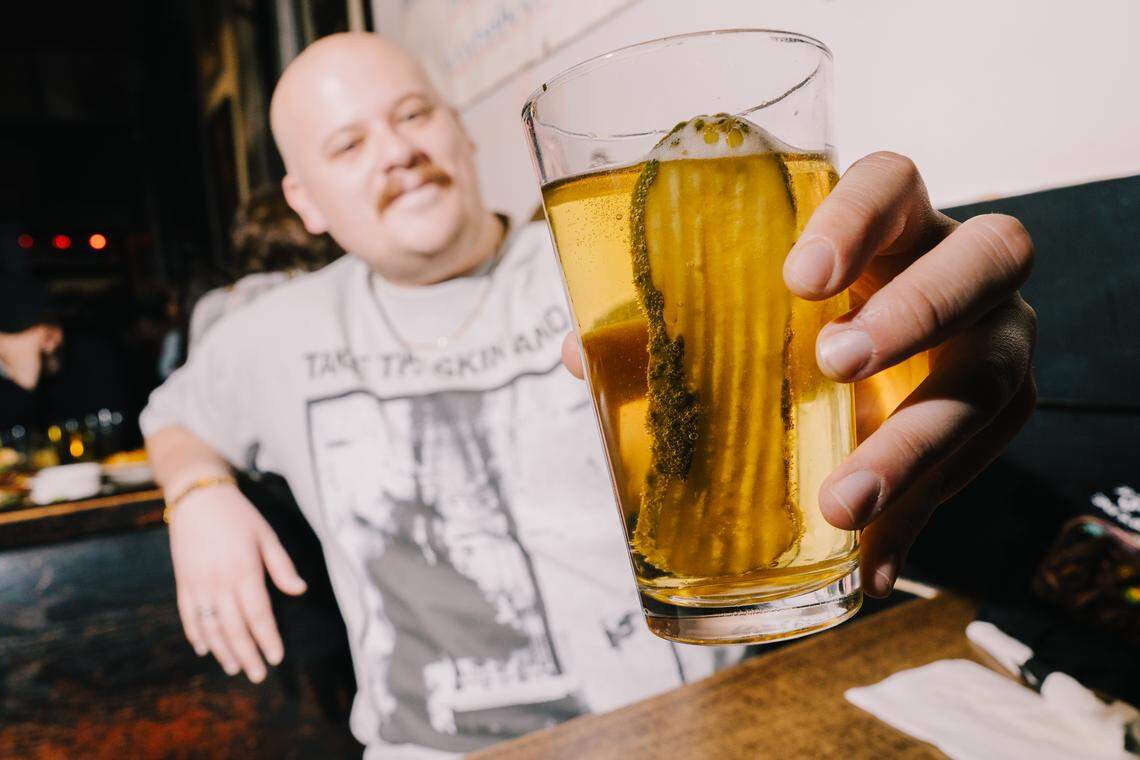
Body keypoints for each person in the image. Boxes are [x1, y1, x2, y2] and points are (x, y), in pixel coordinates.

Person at [141, 33, 1037, 758]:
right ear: (304, 201)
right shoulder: (274, 332)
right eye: (348, 143)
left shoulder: (601, 255)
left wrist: (912, 339)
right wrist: (198, 492)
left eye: (413, 115)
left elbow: (808, 343)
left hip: (699, 727)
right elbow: (173, 413)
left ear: (460, 130)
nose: (399, 153)